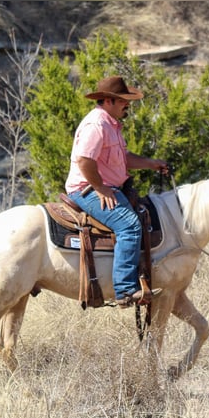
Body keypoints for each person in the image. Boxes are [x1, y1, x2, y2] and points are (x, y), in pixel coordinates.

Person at [65, 75, 168, 308]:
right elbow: (84, 160)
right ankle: (124, 290)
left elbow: (123, 159)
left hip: (105, 186)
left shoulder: (111, 124)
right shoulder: (97, 124)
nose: (127, 105)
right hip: (86, 189)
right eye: (123, 101)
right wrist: (100, 187)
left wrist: (152, 163)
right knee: (130, 226)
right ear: (108, 100)